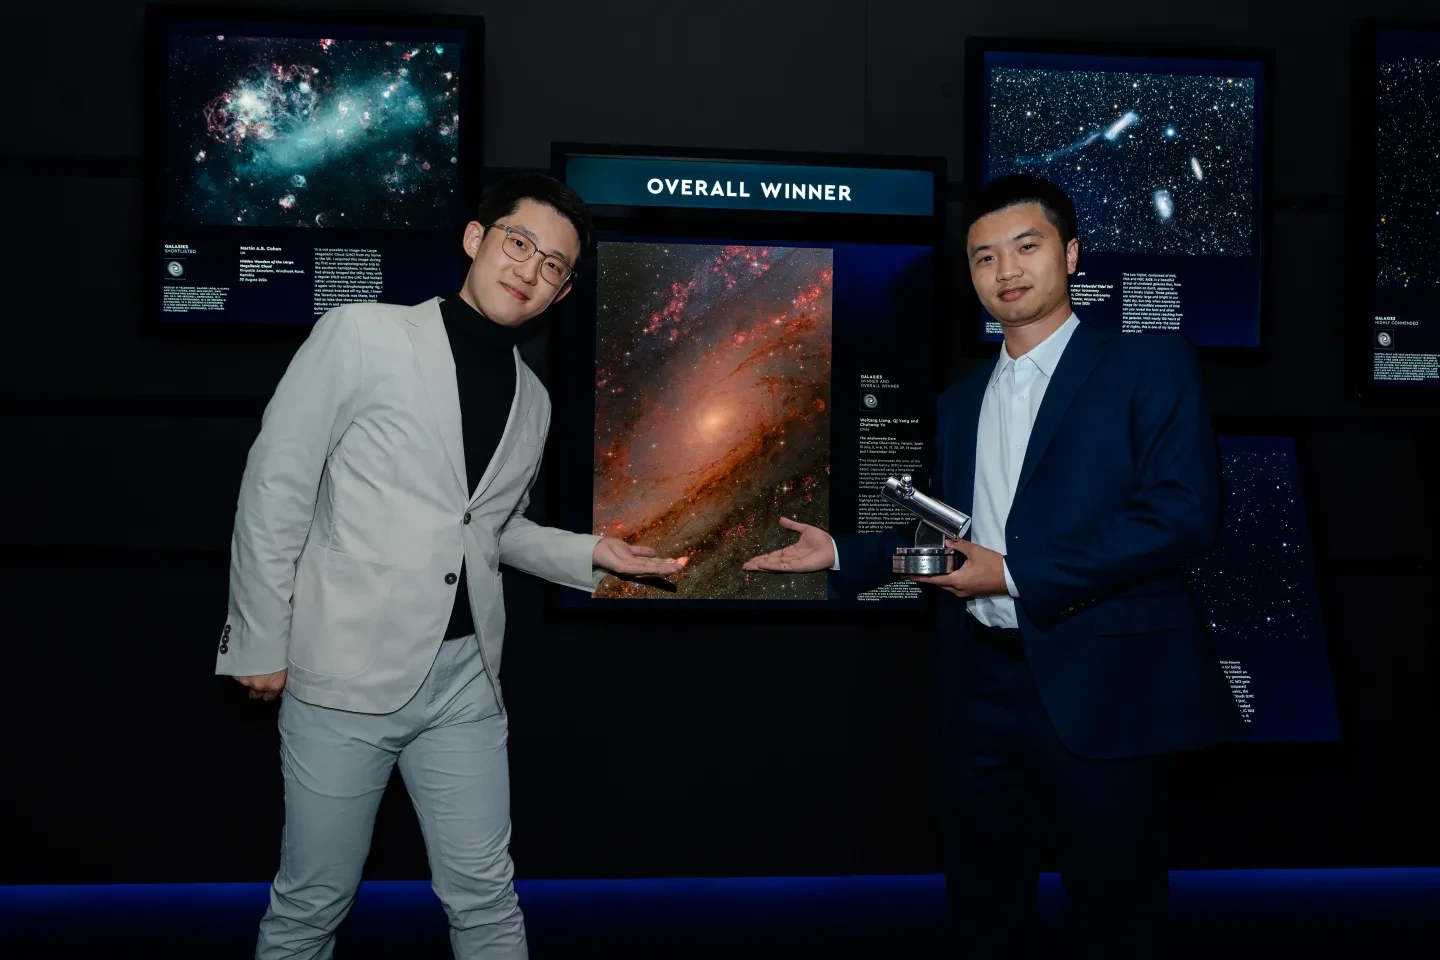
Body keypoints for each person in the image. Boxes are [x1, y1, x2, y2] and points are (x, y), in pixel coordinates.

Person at [744, 174, 1243, 957]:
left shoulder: (1148, 365)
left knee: (1120, 914)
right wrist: (845, 551)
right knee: (982, 911)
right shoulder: (959, 401)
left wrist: (1012, 574)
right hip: (976, 685)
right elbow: (960, 529)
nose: (1005, 270)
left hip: (1100, 690)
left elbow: (1183, 514)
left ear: (1071, 255)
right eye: (983, 258)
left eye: (1026, 246)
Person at [216, 173, 685, 959]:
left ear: (562, 293)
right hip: (343, 678)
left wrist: (590, 552)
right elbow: (276, 485)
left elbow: (487, 530)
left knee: (488, 899)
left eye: (554, 267)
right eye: (519, 244)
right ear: (476, 239)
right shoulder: (362, 334)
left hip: (466, 681)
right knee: (311, 906)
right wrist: (260, 637)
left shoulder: (532, 400)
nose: (530, 271)